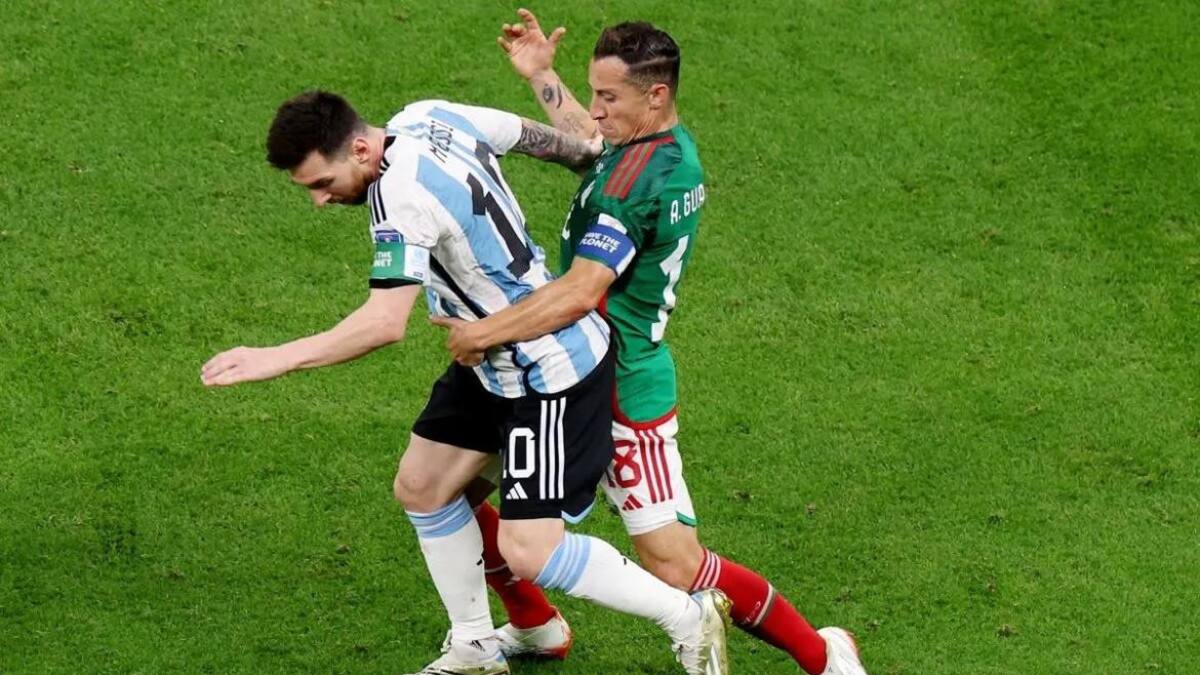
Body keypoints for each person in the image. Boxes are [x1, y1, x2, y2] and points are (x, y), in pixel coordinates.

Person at [200, 91, 731, 675]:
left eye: (322, 182)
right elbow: (536, 139)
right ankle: (476, 648)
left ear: (358, 147)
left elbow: (383, 324)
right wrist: (581, 152)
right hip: (487, 355)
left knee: (530, 551)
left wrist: (275, 358)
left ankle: (687, 616)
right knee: (422, 486)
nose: (321, 201)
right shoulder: (428, 116)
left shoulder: (398, 197)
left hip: (545, 367)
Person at [433, 13, 866, 675]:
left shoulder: (637, 187)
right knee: (444, 484)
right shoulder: (653, 145)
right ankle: (533, 623)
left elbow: (581, 290)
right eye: (594, 93)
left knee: (677, 564)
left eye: (608, 97)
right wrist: (542, 77)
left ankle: (825, 656)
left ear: (655, 95)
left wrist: (483, 332)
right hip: (557, 367)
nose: (596, 111)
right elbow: (593, 141)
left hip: (621, 385)